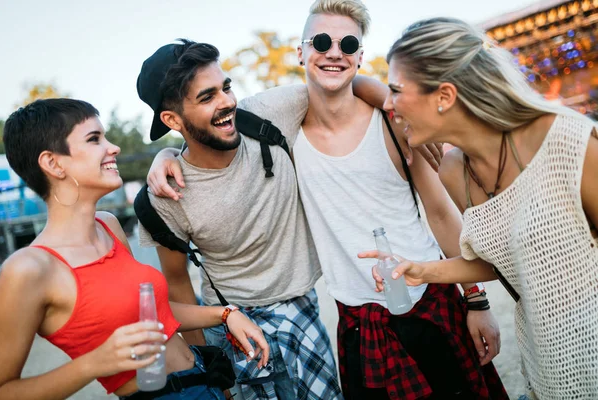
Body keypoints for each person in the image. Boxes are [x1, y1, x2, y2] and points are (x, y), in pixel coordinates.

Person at [147, 2, 507, 399]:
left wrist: (477, 301)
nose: (334, 52)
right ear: (301, 52)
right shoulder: (286, 131)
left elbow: (440, 214)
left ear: (359, 56)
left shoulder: (390, 121)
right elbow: (205, 136)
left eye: (348, 43)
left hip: (430, 302)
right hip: (354, 320)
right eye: (321, 41)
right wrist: (165, 156)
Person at [365, 17, 598, 400]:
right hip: (549, 371)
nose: (387, 103)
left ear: (444, 96)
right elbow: (503, 259)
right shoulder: (454, 171)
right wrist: (421, 270)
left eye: (394, 90)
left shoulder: (565, 142)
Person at [0, 98, 269, 400]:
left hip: (208, 379)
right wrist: (94, 363)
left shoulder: (108, 226)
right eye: (94, 139)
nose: (113, 148)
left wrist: (225, 314)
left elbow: (155, 314)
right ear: (53, 163)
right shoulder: (28, 268)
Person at [135, 40, 343, 400]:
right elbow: (178, 284)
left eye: (226, 87)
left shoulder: (267, 113)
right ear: (171, 120)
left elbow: (345, 84)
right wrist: (210, 367)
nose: (227, 102)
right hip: (232, 325)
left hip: (302, 305)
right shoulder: (164, 197)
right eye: (207, 97)